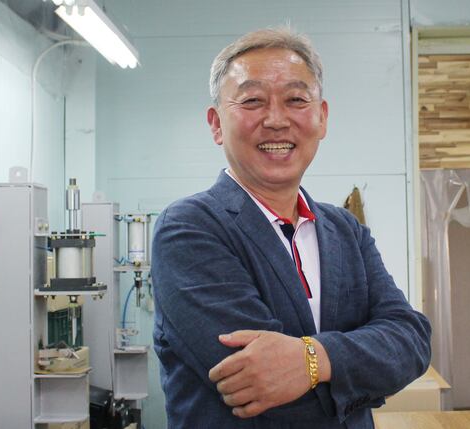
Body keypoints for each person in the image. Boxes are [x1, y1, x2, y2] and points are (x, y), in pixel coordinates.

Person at [152, 27, 431, 429]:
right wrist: (365, 368)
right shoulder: (189, 229)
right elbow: (256, 384)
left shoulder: (345, 230)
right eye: (252, 101)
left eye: (296, 100)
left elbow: (411, 341)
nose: (276, 120)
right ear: (216, 124)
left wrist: (313, 361)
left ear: (322, 117)